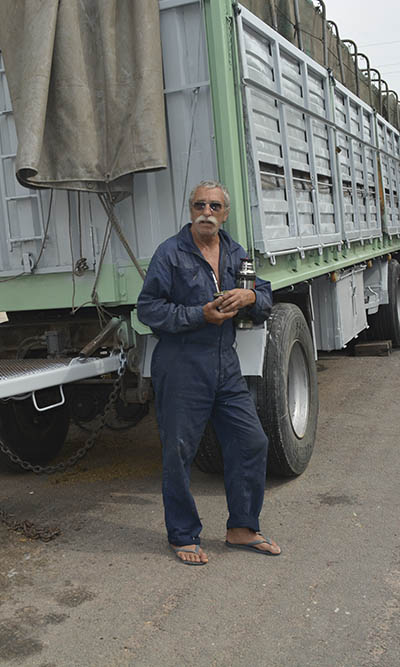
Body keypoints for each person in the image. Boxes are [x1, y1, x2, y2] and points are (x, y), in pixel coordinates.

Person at [136, 180, 280, 565]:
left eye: (215, 206)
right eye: (200, 205)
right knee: (179, 451)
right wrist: (198, 314)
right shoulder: (171, 253)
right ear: (190, 210)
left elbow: (264, 295)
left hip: (225, 364)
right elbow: (148, 309)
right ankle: (183, 534)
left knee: (251, 441)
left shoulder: (235, 252)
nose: (207, 213)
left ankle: (242, 529)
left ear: (225, 213)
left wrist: (250, 297)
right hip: (182, 363)